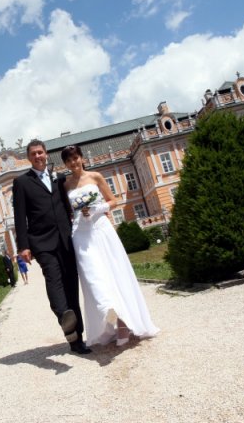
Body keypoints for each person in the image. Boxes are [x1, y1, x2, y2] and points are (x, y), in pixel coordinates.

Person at [61, 144, 159, 347]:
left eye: (75, 157)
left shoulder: (95, 177)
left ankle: (122, 323)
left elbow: (114, 201)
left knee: (115, 273)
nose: (73, 162)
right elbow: (66, 211)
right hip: (80, 235)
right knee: (93, 279)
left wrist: (97, 209)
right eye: (68, 160)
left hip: (102, 230)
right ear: (65, 164)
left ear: (81, 158)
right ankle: (110, 312)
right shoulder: (65, 185)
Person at [13, 139, 91, 354]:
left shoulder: (59, 178)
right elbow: (20, 216)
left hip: (66, 238)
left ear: (46, 154)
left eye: (40, 152)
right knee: (53, 279)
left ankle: (77, 339)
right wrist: (23, 246)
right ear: (29, 158)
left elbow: (71, 204)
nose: (37, 156)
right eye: (33, 154)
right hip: (41, 241)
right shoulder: (22, 183)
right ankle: (63, 314)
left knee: (71, 285)